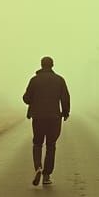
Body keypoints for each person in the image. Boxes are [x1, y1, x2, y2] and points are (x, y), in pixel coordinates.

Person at [22, 56, 70, 186]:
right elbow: (65, 98)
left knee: (37, 143)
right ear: (52, 65)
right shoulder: (59, 80)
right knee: (51, 145)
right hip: (54, 118)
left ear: (41, 65)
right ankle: (46, 175)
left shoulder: (34, 80)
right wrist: (65, 113)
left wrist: (34, 99)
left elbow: (26, 98)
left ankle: (38, 167)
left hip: (38, 117)